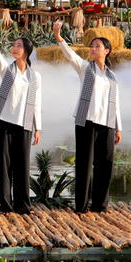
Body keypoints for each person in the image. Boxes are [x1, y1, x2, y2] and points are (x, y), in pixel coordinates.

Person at [53, 19, 121, 213]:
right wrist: (59, 37)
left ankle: (100, 204)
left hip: (106, 124)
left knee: (105, 164)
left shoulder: (112, 76)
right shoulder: (84, 68)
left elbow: (116, 103)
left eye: (97, 46)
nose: (93, 48)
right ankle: (81, 205)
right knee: (84, 163)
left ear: (106, 51)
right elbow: (70, 56)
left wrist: (119, 128)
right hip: (86, 122)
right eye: (92, 46)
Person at [0, 5, 41, 214]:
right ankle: (5, 205)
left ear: (26, 51)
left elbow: (37, 103)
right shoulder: (8, 70)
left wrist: (38, 127)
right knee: (4, 166)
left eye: (18, 46)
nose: (14, 49)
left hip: (24, 125)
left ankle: (23, 205)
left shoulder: (35, 77)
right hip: (4, 123)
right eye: (13, 45)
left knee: (22, 166)